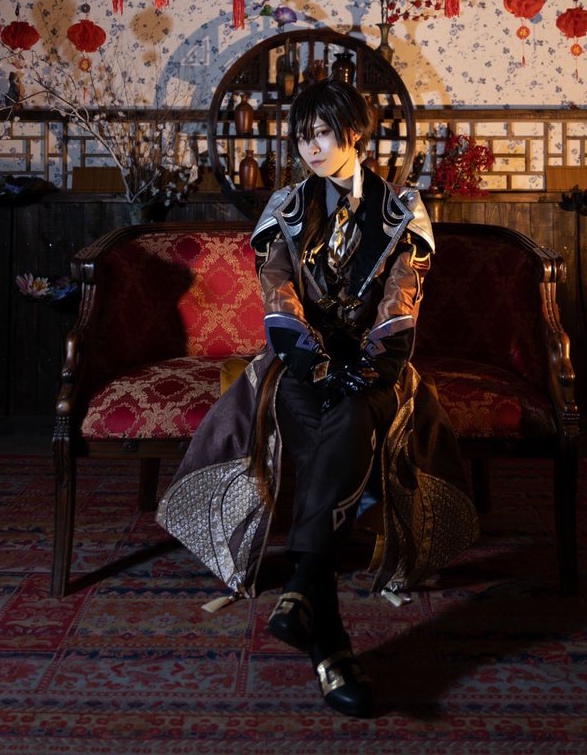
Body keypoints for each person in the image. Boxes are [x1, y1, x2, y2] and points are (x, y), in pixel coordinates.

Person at [157, 79, 477, 717]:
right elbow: (277, 289)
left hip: (375, 363)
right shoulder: (285, 207)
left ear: (354, 133)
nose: (310, 148)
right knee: (306, 411)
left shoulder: (401, 209)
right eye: (302, 136)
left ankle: (310, 596)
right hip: (300, 360)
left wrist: (375, 361)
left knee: (356, 411)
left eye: (322, 133)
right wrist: (309, 357)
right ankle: (319, 615)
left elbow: (402, 295)